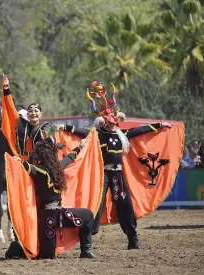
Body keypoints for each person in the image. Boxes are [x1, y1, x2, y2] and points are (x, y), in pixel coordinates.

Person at [58, 80, 172, 249]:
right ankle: (87, 244)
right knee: (96, 205)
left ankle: (133, 239)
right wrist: (65, 126)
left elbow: (139, 131)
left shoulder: (122, 134)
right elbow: (82, 132)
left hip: (118, 175)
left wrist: (160, 125)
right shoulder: (97, 135)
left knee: (125, 205)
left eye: (113, 120)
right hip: (103, 175)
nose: (112, 123)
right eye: (108, 120)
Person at [4, 136, 96, 259]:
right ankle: (16, 249)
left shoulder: (57, 168)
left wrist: (80, 147)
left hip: (60, 213)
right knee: (47, 255)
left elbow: (69, 158)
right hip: (46, 217)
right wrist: (19, 161)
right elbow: (29, 168)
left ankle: (86, 251)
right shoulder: (40, 170)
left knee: (88, 215)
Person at [1, 74, 48, 160]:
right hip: (21, 161)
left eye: (36, 111)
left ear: (41, 114)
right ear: (27, 114)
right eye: (30, 111)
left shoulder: (47, 128)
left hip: (40, 165)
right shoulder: (21, 124)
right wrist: (6, 87)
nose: (33, 113)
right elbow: (10, 107)